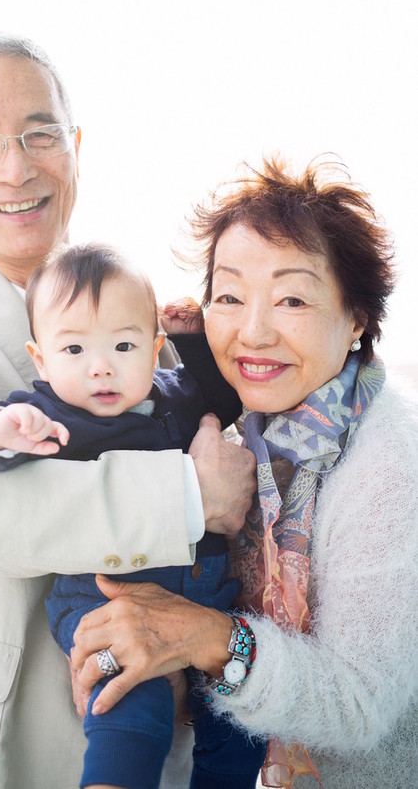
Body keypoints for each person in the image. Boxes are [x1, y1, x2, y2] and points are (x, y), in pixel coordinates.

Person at [0, 33, 257, 788]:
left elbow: (207, 430)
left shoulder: (133, 312)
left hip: (148, 719)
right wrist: (191, 494)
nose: (15, 168)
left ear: (76, 149)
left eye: (40, 135)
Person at [70, 157, 418, 789]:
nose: (252, 332)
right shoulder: (250, 438)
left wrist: (203, 637)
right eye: (229, 297)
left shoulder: (389, 466)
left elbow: (362, 705)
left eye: (292, 299)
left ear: (357, 319)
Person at [0, 242, 266, 789]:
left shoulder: (176, 394)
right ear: (41, 359)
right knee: (133, 702)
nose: (100, 366)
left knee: (242, 722)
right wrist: (1, 428)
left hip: (206, 600)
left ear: (154, 348)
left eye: (124, 345)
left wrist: (194, 341)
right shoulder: (52, 413)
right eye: (73, 349)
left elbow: (225, 399)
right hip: (101, 602)